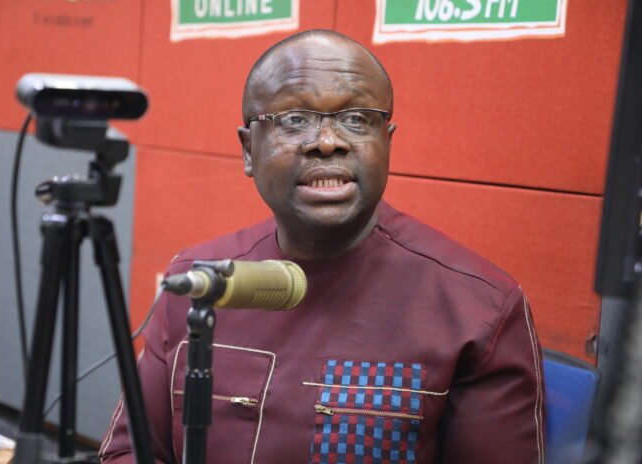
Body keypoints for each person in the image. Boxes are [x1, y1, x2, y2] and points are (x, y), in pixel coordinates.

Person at [99, 29, 545, 464]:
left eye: (357, 118)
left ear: (386, 142)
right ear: (249, 150)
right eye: (294, 119)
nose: (328, 143)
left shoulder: (478, 308)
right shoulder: (199, 281)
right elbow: (128, 450)